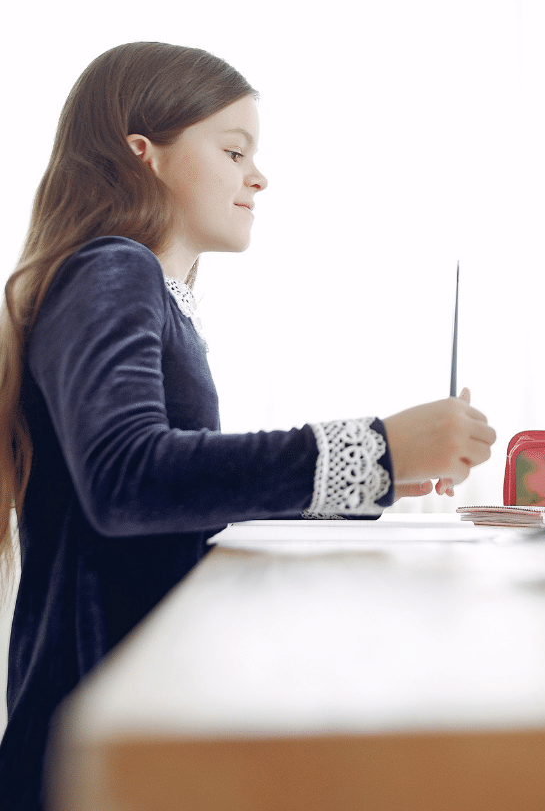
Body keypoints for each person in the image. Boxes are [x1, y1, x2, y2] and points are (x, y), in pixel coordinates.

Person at [0, 41, 498, 809]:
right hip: (87, 730)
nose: (258, 176)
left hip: (116, 702)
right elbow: (127, 479)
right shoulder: (113, 268)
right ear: (145, 155)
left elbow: (179, 485)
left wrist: (383, 470)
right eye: (234, 150)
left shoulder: (148, 292)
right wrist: (374, 447)